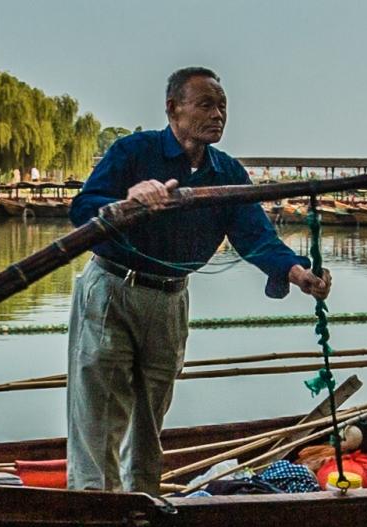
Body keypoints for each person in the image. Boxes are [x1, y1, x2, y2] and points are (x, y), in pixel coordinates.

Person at [63, 67, 333, 493]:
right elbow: (84, 209)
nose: (218, 115)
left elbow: (255, 235)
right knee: (100, 408)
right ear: (173, 108)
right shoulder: (134, 151)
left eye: (223, 106)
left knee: (152, 409)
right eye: (205, 104)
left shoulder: (225, 171)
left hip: (169, 298)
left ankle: (143, 502)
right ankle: (95, 504)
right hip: (113, 289)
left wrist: (296, 272)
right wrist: (129, 200)